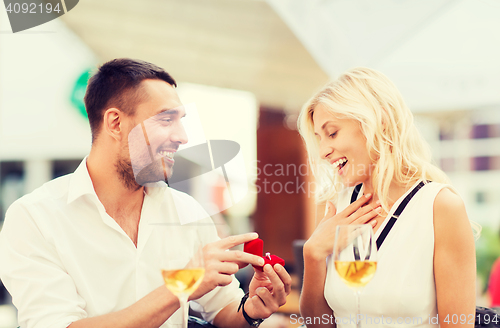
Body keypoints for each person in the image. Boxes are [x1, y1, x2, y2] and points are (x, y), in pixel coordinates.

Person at [0, 58, 291, 328]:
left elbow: (224, 311)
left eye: (181, 121)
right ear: (115, 123)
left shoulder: (186, 212)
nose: (182, 136)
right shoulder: (33, 219)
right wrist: (182, 285)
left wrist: (252, 309)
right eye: (166, 120)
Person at [297, 67, 477, 327]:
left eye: (332, 133)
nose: (323, 151)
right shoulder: (334, 206)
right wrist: (313, 254)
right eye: (319, 138)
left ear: (378, 120)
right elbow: (320, 324)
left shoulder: (441, 207)